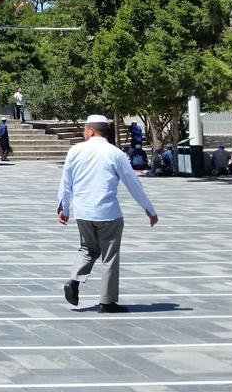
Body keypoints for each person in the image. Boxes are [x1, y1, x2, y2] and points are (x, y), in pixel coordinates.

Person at [57, 115, 158, 314]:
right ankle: (107, 302)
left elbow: (65, 183)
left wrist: (63, 208)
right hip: (108, 213)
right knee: (109, 257)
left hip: (84, 212)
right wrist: (149, 209)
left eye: (85, 129)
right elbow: (133, 183)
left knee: (87, 248)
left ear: (91, 130)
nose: (83, 132)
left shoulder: (75, 151)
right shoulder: (115, 153)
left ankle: (74, 280)